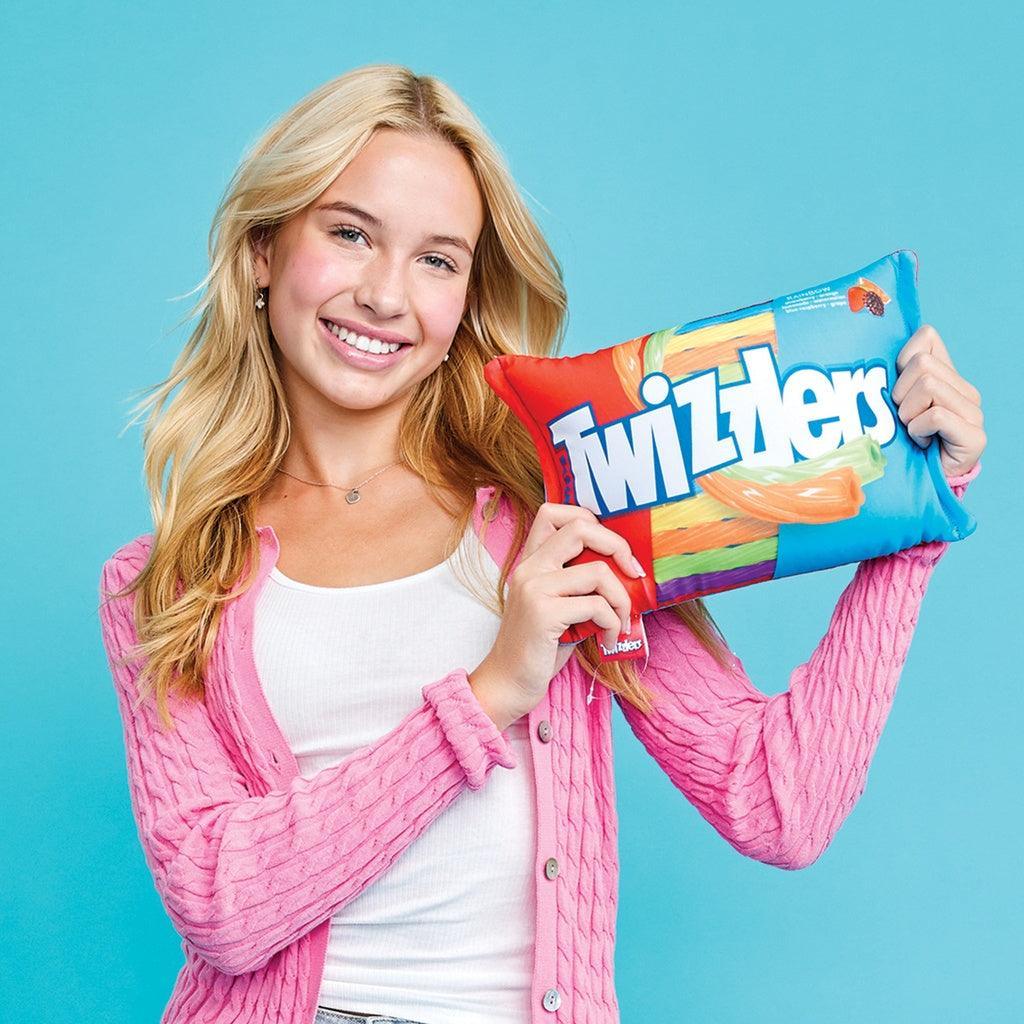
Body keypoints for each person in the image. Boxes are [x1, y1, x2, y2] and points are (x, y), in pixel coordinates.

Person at [97, 64, 985, 1024]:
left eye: (437, 259)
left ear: (467, 295)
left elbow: (781, 803)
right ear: (265, 249)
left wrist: (912, 514)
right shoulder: (167, 582)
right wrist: (491, 694)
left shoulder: (564, 514)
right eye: (350, 234)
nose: (386, 295)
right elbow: (221, 909)